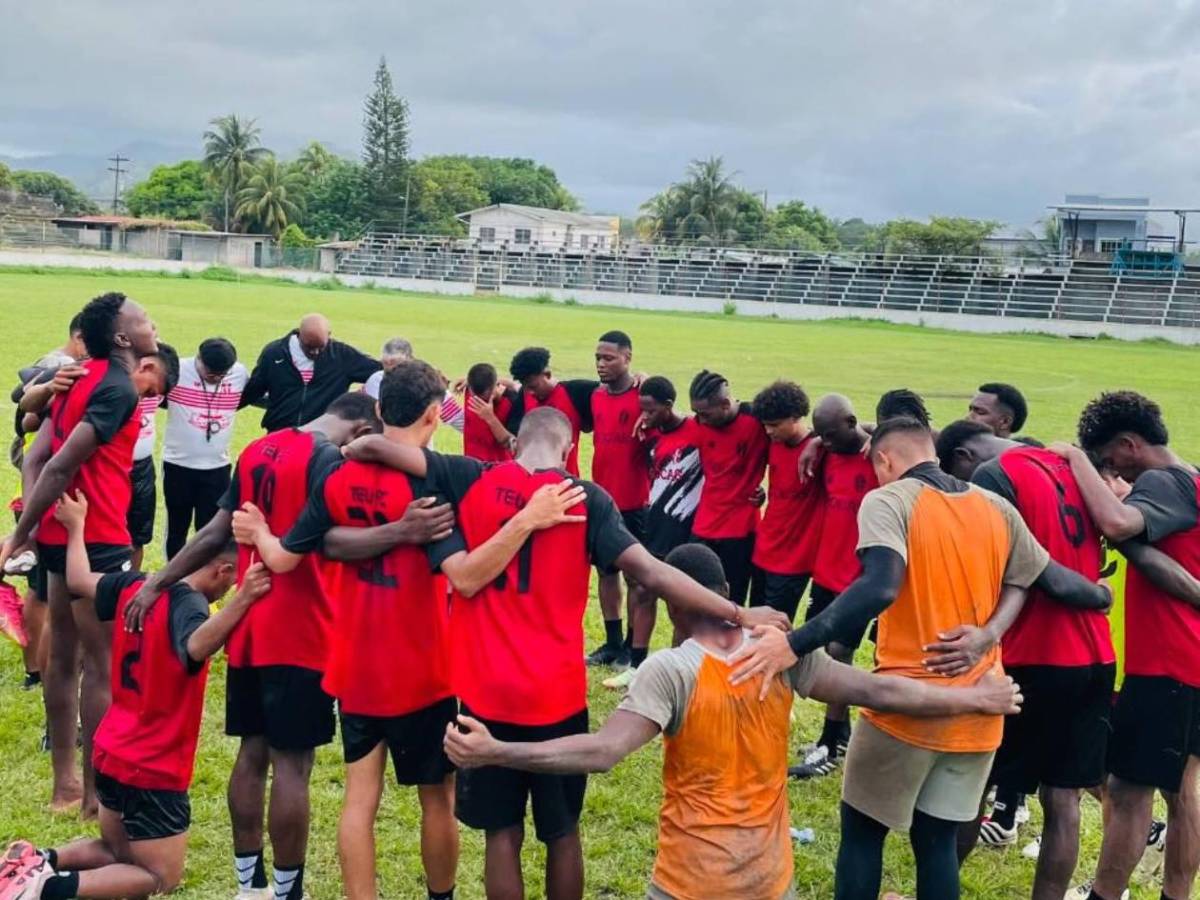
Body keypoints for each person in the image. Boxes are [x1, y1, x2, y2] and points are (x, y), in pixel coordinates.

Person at [338, 406, 789, 900]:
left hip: (487, 697)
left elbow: (384, 448)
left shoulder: (468, 478)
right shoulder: (587, 499)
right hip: (556, 696)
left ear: (514, 445)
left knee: (501, 834)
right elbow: (653, 573)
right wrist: (739, 613)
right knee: (561, 832)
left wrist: (354, 446)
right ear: (571, 449)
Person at [444, 542, 1024, 900]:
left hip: (689, 883)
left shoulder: (671, 670)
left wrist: (498, 751)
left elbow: (602, 752)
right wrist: (974, 699)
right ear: (726, 593)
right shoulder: (781, 652)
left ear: (672, 603)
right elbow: (881, 689)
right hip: (769, 884)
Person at [729, 416, 1111, 900]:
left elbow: (879, 585)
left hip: (906, 711)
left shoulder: (888, 500)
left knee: (863, 831)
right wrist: (1100, 596)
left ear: (885, 460)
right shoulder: (994, 506)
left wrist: (795, 641)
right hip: (979, 711)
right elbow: (1050, 578)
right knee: (937, 843)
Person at [120, 392, 381, 900]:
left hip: (248, 621)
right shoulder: (327, 459)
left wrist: (157, 582)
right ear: (361, 429)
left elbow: (215, 531)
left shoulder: (260, 448)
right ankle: (287, 891)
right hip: (304, 630)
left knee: (251, 754)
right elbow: (331, 542)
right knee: (293, 765)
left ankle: (249, 886)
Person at [0, 490, 268, 900]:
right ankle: (43, 889)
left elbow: (77, 580)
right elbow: (196, 645)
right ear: (222, 569)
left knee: (114, 849)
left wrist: (75, 529)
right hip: (153, 763)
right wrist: (246, 599)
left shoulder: (135, 586)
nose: (232, 587)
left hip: (112, 747)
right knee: (159, 875)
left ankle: (40, 859)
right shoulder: (193, 607)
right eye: (234, 580)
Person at [1, 292, 167, 817]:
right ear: (122, 337)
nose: (152, 323)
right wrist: (18, 535)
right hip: (95, 537)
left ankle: (65, 786)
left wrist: (31, 526)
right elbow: (57, 465)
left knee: (62, 659)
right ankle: (95, 796)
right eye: (142, 319)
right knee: (100, 666)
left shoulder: (75, 375)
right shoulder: (116, 388)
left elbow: (38, 451)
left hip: (58, 532)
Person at [1047, 391, 1200, 900]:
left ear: (1131, 444)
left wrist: (1071, 456)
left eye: (1110, 460)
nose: (1114, 474)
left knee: (1129, 792)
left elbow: (1116, 523)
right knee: (1184, 791)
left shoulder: (1162, 480)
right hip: (1190, 663)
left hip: (1169, 663)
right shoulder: (1195, 476)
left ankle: (1104, 896)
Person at [794, 393, 878, 779]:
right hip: (826, 572)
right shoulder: (826, 452)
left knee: (839, 652)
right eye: (820, 435)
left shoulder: (878, 455)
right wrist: (816, 441)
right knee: (825, 652)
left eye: (830, 434)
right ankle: (839, 732)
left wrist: (873, 433)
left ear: (851, 422)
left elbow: (923, 436)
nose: (825, 442)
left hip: (861, 578)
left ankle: (830, 742)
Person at [603, 376, 704, 690]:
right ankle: (636, 665)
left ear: (669, 406)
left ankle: (678, 669)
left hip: (687, 530)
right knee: (645, 593)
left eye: (649, 410)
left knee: (681, 605)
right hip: (656, 524)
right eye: (640, 410)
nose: (643, 416)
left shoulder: (697, 430)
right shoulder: (649, 436)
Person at [587, 331, 651, 669]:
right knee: (605, 574)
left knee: (636, 578)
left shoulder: (644, 396)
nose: (601, 364)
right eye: (598, 358)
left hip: (635, 504)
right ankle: (611, 643)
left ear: (628, 357)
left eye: (608, 358)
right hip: (602, 501)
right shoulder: (596, 396)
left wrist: (650, 379)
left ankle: (631, 644)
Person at [161, 337, 249, 560]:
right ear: (197, 358)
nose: (215, 378)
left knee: (211, 528)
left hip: (217, 466)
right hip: (178, 464)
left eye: (222, 375)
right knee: (176, 527)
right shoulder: (177, 370)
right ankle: (172, 577)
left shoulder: (239, 373)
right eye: (210, 373)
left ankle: (203, 577)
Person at [687, 370, 769, 607]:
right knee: (692, 601)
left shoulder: (757, 420)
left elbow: (800, 430)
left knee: (732, 604)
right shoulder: (699, 422)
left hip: (740, 531)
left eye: (704, 414)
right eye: (695, 413)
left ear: (725, 404)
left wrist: (814, 443)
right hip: (703, 527)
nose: (699, 420)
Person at [749, 380, 823, 622]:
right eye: (765, 425)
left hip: (793, 559)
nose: (768, 431)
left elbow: (866, 430)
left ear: (795, 417)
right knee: (753, 624)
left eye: (774, 425)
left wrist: (818, 440)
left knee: (774, 629)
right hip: (764, 548)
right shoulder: (774, 443)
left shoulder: (822, 449)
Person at [240, 313, 380, 432]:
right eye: (309, 347)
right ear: (299, 334)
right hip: (280, 434)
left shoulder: (342, 356)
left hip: (323, 439)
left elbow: (383, 373)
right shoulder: (274, 353)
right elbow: (254, 390)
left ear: (329, 335)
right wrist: (222, 408)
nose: (315, 352)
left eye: (320, 347)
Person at [505, 346, 597, 477]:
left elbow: (613, 388)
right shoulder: (524, 396)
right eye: (525, 387)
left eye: (533, 387)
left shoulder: (576, 392)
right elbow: (513, 435)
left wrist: (637, 378)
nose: (529, 392)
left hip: (564, 479)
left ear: (547, 374)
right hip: (528, 478)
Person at [362, 336, 466, 432]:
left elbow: (460, 421)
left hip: (416, 450)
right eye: (385, 363)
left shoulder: (429, 384)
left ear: (410, 360)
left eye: (394, 364)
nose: (389, 370)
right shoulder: (374, 381)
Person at [127, 392, 162, 571]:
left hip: (143, 467)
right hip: (111, 467)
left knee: (138, 534)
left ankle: (130, 586)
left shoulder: (157, 384)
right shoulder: (116, 385)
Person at [461, 363, 515, 462]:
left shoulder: (511, 403)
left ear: (496, 386)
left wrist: (490, 417)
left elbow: (510, 444)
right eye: (475, 397)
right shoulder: (469, 391)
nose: (479, 402)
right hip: (472, 465)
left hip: (497, 468)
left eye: (485, 398)